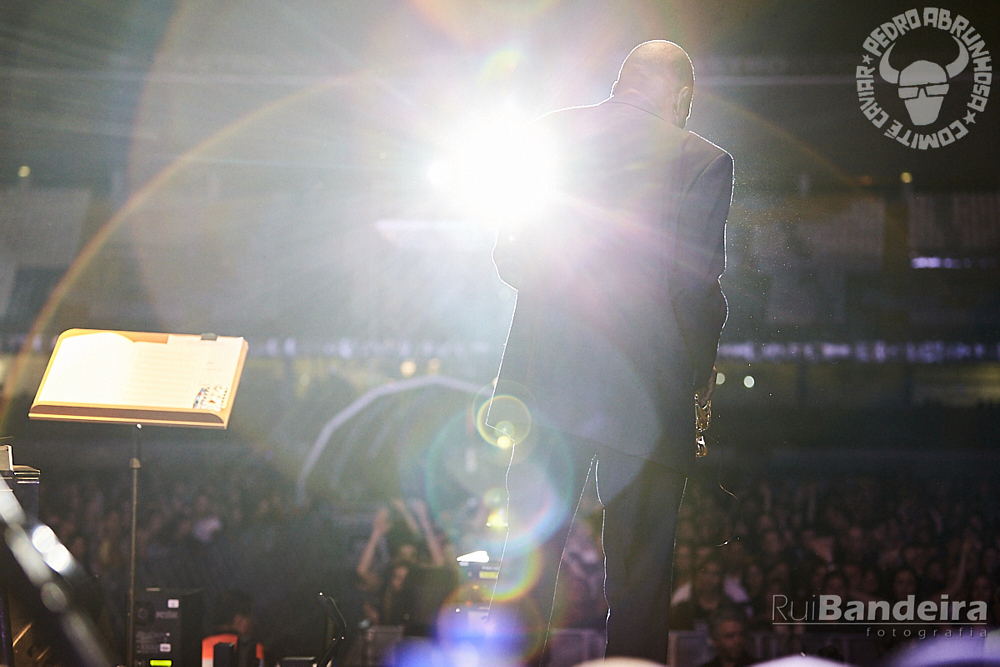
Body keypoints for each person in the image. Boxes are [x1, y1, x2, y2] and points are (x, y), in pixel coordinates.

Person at [489, 40, 733, 664]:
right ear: (681, 96)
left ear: (624, 81)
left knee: (527, 567)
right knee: (640, 584)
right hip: (647, 400)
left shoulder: (553, 134)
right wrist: (699, 384)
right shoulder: (702, 160)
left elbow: (509, 254)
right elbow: (696, 292)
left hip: (546, 386)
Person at [202, 590, 265, 667]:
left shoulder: (200, 648)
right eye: (251, 617)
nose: (254, 623)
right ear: (239, 619)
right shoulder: (254, 650)